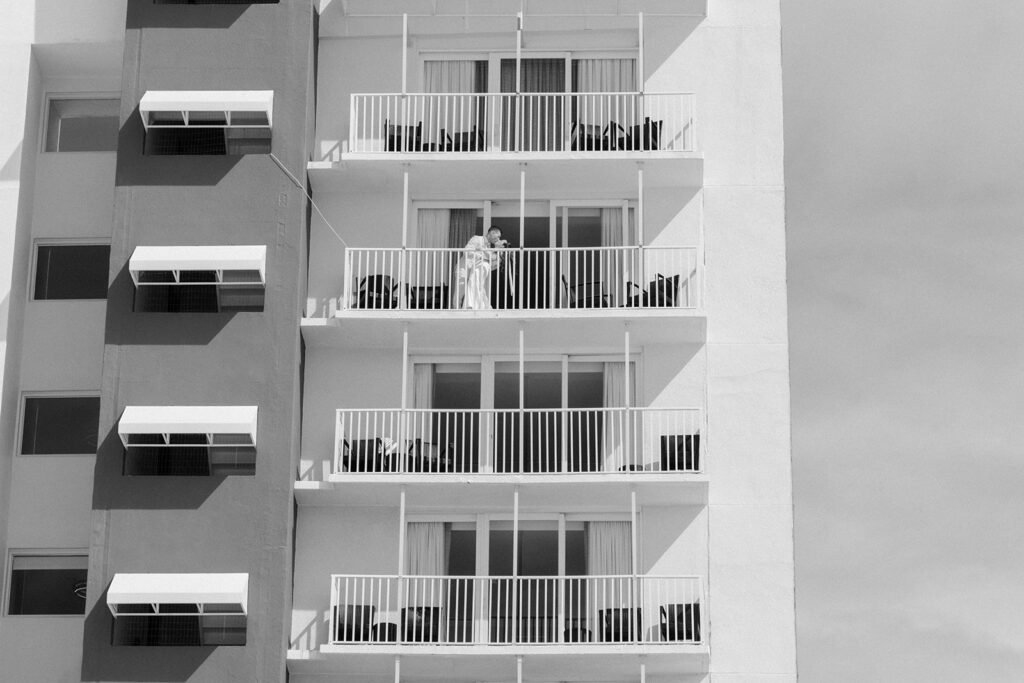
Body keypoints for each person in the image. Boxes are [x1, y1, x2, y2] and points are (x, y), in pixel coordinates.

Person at [454, 227, 509, 309]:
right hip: (465, 268)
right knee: (460, 292)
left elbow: (490, 265)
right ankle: (456, 312)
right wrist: (483, 256)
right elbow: (466, 251)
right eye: (498, 236)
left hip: (475, 271)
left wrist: (499, 255)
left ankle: (482, 308)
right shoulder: (477, 238)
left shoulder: (489, 248)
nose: (498, 239)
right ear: (492, 233)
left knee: (479, 290)